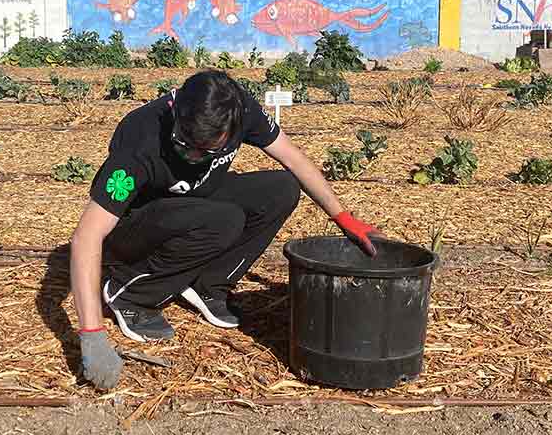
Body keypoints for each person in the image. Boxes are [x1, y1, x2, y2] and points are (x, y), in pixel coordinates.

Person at [70, 69, 382, 388]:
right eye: (183, 144)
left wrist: (342, 217)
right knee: (224, 219)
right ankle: (130, 294)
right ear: (176, 111)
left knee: (282, 188)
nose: (192, 156)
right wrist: (92, 335)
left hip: (195, 201)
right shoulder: (140, 141)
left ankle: (209, 285)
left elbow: (293, 159)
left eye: (206, 152)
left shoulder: (239, 108)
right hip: (136, 228)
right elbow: (87, 236)